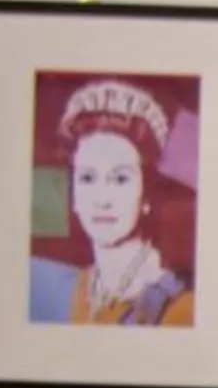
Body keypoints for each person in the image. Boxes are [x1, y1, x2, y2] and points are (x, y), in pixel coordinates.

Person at [54, 78, 195, 328]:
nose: (102, 199)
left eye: (120, 179)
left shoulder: (181, 308)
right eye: (87, 178)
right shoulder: (79, 286)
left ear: (146, 193)